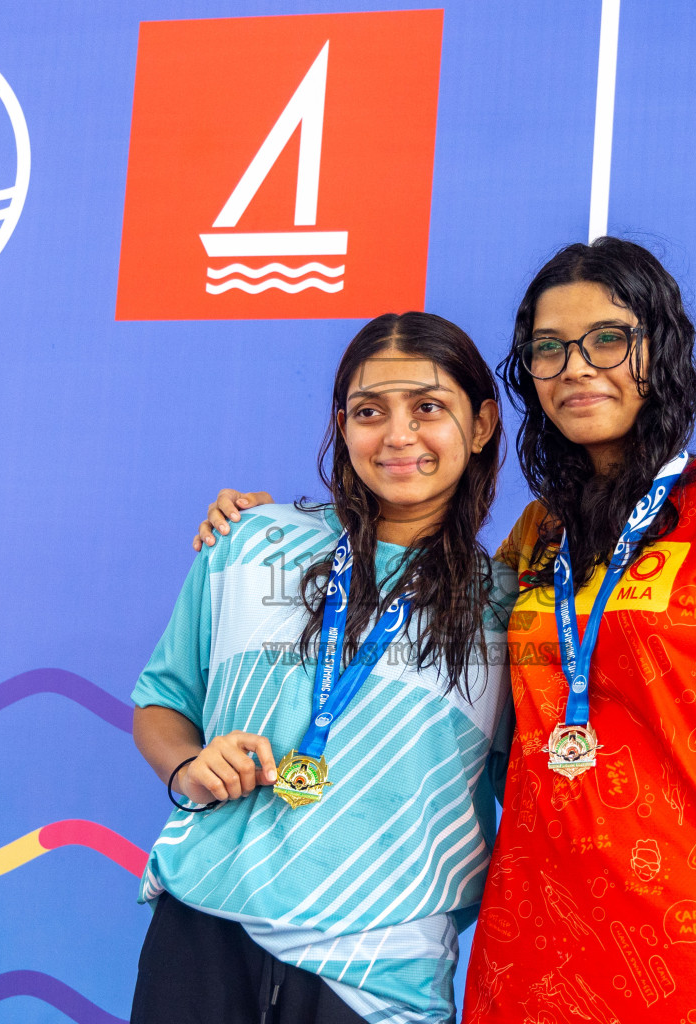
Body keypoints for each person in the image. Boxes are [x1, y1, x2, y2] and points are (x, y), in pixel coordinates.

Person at [197, 237, 696, 1024]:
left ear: (660, 350)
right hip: (532, 943)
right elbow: (412, 633)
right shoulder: (535, 537)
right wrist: (273, 528)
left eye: (609, 338)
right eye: (548, 348)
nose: (576, 366)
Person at [129, 311, 512, 1024]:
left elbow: (533, 788)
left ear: (482, 424)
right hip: (208, 922)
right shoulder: (249, 540)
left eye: (428, 408)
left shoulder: (508, 606)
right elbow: (162, 700)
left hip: (383, 965)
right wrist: (188, 767)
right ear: (342, 425)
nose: (398, 436)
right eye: (370, 412)